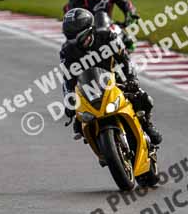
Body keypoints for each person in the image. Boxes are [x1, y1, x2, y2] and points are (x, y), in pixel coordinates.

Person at [60, 8, 162, 145]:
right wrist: (69, 99)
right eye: (70, 35)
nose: (74, 39)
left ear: (88, 30)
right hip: (89, 86)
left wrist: (131, 78)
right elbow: (68, 78)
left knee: (143, 98)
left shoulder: (107, 37)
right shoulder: (67, 51)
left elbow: (125, 60)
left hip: (115, 78)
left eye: (76, 34)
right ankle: (98, 141)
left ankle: (147, 124)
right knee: (78, 123)